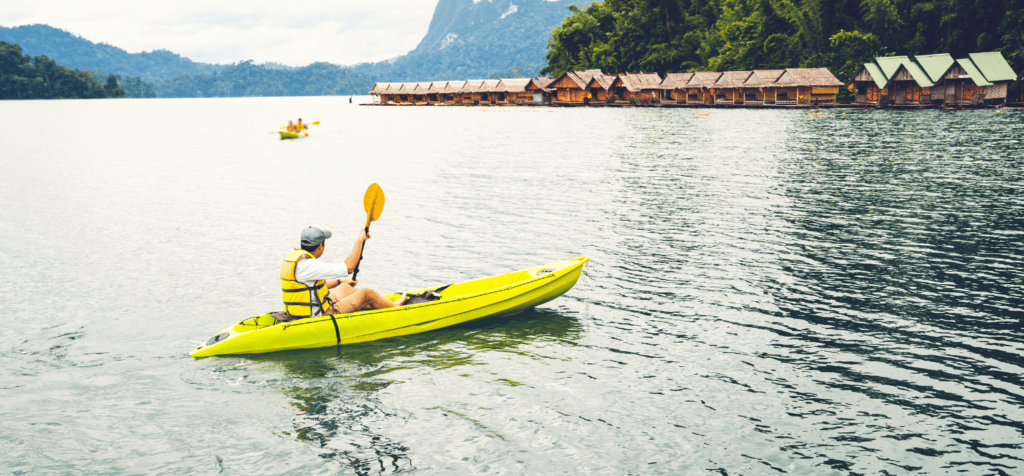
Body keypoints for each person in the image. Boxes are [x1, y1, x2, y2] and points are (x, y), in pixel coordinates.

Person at [280, 226, 405, 318]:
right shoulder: (310, 265)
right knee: (367, 293)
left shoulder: (297, 259)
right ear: (320, 246)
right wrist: (360, 240)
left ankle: (375, 304)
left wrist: (340, 281)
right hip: (321, 313)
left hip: (307, 306)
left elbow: (312, 287)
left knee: (345, 287)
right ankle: (395, 307)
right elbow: (349, 267)